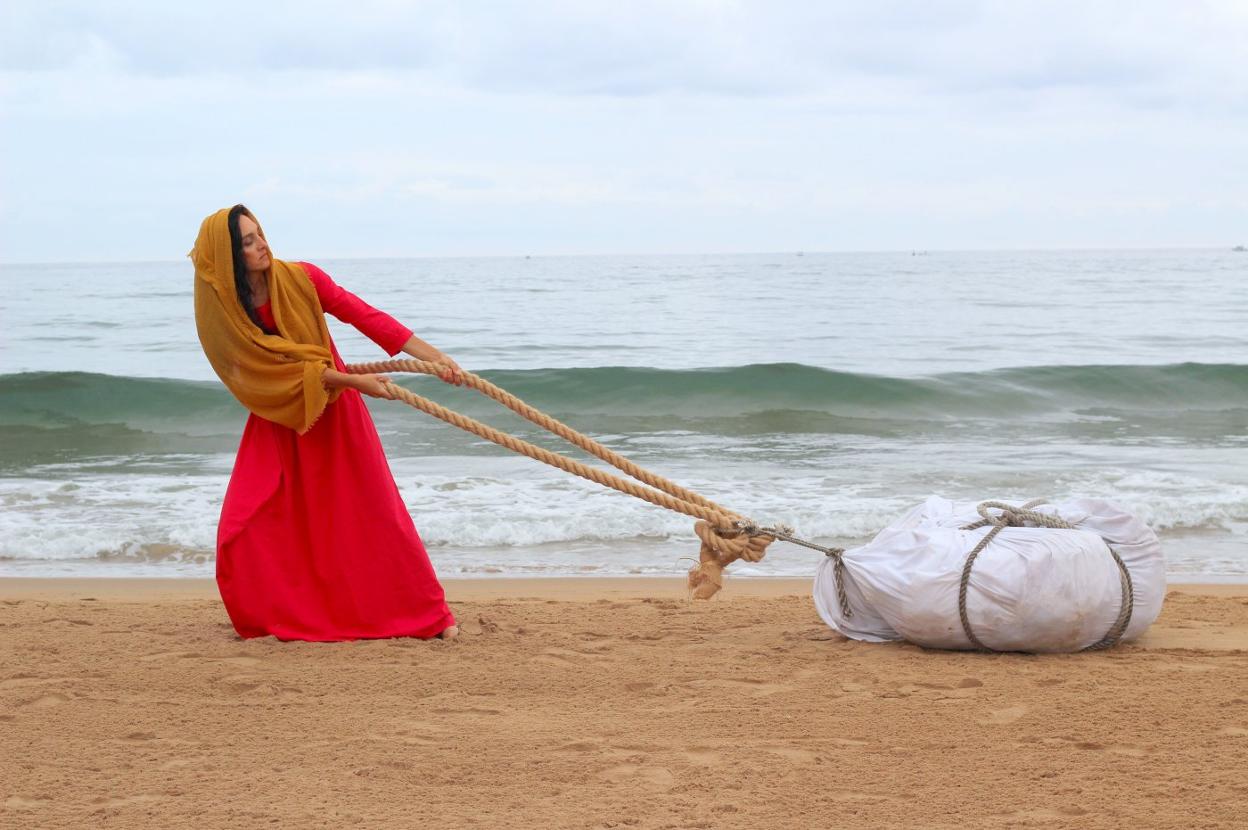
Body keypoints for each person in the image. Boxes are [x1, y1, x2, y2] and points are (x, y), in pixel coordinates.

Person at [191, 204, 463, 641]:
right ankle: (283, 617)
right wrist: (355, 380)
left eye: (260, 233)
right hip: (279, 416)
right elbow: (258, 370)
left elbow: (363, 314)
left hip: (335, 411)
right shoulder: (224, 311)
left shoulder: (301, 278)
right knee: (250, 522)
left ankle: (432, 617)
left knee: (373, 512)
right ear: (227, 255)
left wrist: (435, 358)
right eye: (247, 241)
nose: (261, 244)